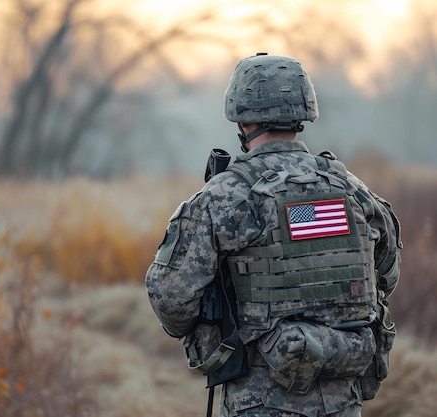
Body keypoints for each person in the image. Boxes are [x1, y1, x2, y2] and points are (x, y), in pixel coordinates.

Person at [145, 53, 402, 417]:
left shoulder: (226, 196)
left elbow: (170, 298)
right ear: (302, 113)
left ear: (241, 116)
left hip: (259, 399)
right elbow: (386, 276)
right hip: (344, 399)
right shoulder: (353, 191)